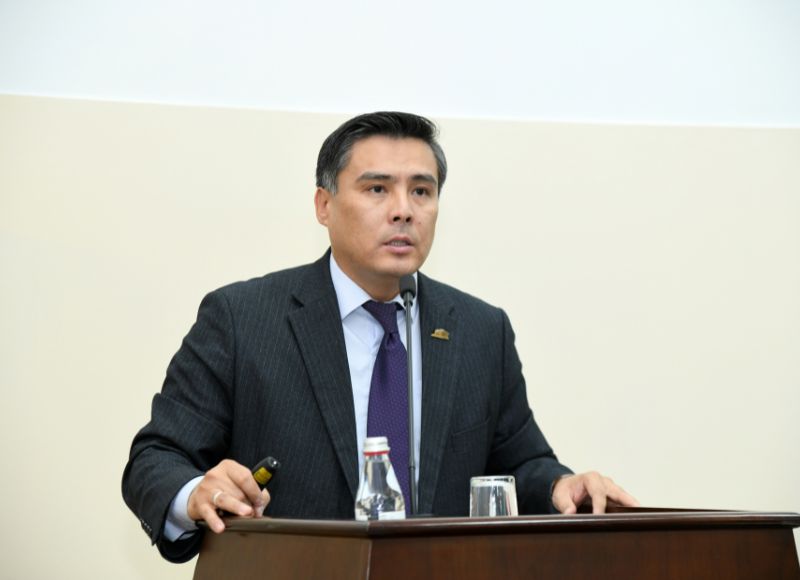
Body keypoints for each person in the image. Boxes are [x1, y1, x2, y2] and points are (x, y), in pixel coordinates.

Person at [122, 111, 638, 563]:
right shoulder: (243, 319)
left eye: (421, 191)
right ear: (324, 205)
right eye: (377, 189)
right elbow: (156, 458)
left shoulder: (481, 330)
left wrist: (560, 484)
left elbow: (519, 463)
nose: (403, 210)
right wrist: (196, 492)